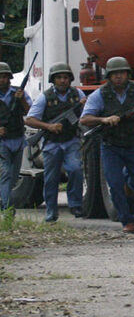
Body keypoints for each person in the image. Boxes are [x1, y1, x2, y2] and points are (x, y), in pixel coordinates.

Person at [80, 57, 134, 233]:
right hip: (111, 145)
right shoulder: (100, 94)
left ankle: (129, 184)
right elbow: (85, 119)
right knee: (114, 184)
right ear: (109, 76)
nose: (119, 76)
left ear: (128, 74)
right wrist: (103, 119)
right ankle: (126, 220)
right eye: (115, 74)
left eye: (122, 73)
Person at [24, 62, 88, 221]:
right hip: (52, 143)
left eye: (65, 77)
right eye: (59, 77)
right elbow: (30, 120)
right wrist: (49, 126)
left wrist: (84, 108)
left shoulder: (77, 95)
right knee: (51, 178)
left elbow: (86, 115)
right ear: (53, 79)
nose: (63, 80)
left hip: (71, 140)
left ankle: (75, 204)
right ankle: (51, 210)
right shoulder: (45, 97)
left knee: (75, 170)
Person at [0, 62, 32, 211]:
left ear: (10, 78)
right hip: (2, 142)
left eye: (5, 77)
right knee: (6, 174)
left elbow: (31, 113)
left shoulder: (19, 93)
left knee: (13, 177)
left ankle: (4, 199)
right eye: (0, 77)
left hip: (18, 140)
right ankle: (8, 209)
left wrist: (22, 99)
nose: (2, 80)